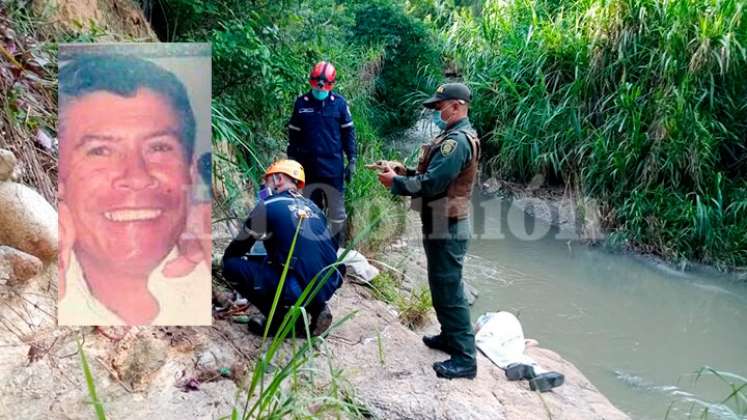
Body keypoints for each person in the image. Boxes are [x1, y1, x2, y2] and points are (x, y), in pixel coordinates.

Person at [57, 52, 211, 326]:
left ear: (190, 172)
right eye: (100, 150)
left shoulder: (209, 274)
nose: (137, 177)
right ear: (58, 180)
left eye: (159, 147)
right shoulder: (32, 291)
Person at [377, 83, 480, 379]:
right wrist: (403, 172)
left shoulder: (456, 141)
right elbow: (432, 176)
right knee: (440, 286)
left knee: (450, 290)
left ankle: (465, 359)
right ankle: (450, 337)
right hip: (439, 221)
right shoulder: (450, 136)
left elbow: (433, 184)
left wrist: (396, 183)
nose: (438, 112)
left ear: (457, 106)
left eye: (441, 107)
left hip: (447, 226)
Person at [221, 160, 343, 336]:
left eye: (266, 182)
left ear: (278, 179)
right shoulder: (315, 208)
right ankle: (317, 307)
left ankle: (282, 321)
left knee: (231, 265)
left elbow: (237, 249)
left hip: (295, 287)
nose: (263, 188)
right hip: (327, 284)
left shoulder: (269, 205)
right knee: (289, 262)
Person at [286, 61, 357, 248]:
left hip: (333, 169)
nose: (320, 90)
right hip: (308, 169)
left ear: (331, 86)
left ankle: (335, 252)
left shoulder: (339, 105)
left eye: (324, 87)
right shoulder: (301, 104)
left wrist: (352, 160)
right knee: (310, 211)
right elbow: (293, 137)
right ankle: (315, 250)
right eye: (316, 86)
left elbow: (349, 134)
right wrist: (291, 166)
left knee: (336, 214)